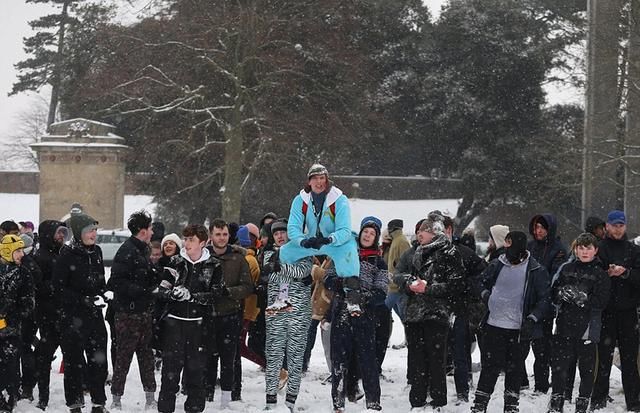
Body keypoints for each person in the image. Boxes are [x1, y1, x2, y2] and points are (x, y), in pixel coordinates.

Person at [470, 231, 551, 413]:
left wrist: (533, 318)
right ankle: (480, 405)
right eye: (506, 245)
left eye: (511, 245)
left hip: (519, 329)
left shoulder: (535, 269)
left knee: (514, 370)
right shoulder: (498, 264)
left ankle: (511, 406)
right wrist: (485, 295)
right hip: (494, 326)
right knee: (489, 368)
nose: (507, 250)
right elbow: (479, 282)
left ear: (520, 246)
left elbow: (545, 299)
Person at [394, 211, 465, 411]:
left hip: (437, 314)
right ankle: (416, 399)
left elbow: (456, 286)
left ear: (434, 233)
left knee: (436, 358)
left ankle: (438, 400)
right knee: (416, 357)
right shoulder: (415, 251)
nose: (419, 235)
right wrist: (409, 283)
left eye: (423, 231)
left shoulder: (449, 253)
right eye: (418, 232)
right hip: (415, 313)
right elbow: (398, 274)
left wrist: (429, 288)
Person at [156, 224, 224, 413]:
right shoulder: (175, 262)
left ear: (203, 242)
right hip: (174, 325)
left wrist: (193, 296)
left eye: (191, 240)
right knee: (169, 373)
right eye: (185, 239)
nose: (186, 244)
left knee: (196, 373)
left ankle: (194, 408)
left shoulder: (214, 264)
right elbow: (161, 290)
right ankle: (165, 408)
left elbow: (217, 294)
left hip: (199, 327)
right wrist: (173, 294)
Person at [280, 164, 362, 315]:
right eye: (315, 178)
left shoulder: (339, 199)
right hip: (311, 241)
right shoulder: (300, 200)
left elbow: (344, 230)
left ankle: (352, 298)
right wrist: (302, 241)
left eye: (322, 178)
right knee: (285, 252)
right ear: (309, 182)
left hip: (335, 241)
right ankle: (283, 295)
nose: (319, 182)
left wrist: (329, 239)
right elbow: (293, 228)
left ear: (327, 180)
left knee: (349, 252)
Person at [326, 216, 388, 412]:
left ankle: (373, 402)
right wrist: (344, 285)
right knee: (339, 360)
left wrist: (363, 297)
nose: (368, 236)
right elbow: (328, 279)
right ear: (360, 233)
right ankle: (338, 402)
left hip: (365, 316)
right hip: (342, 312)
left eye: (372, 233)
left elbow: (382, 292)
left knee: (368, 360)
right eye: (365, 232)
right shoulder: (345, 253)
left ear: (376, 237)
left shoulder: (379, 262)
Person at [53, 213, 110, 413]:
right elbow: (58, 289)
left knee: (98, 361)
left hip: (94, 315)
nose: (94, 234)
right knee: (74, 363)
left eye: (95, 230)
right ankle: (75, 404)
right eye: (89, 231)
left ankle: (98, 403)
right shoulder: (67, 254)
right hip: (72, 318)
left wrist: (106, 293)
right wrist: (82, 300)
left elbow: (100, 281)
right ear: (79, 233)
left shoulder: (98, 252)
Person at [547, 233, 610, 413]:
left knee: (586, 370)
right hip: (564, 326)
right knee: (559, 368)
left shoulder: (600, 273)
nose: (584, 252)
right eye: (581, 248)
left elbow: (602, 301)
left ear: (595, 250)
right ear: (575, 249)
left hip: (588, 329)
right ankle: (556, 404)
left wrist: (584, 299)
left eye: (588, 248)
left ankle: (582, 405)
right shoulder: (566, 268)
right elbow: (553, 292)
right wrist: (560, 294)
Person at [108, 210, 161, 410]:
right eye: (150, 228)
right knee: (124, 356)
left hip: (144, 312)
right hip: (128, 314)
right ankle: (116, 399)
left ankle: (150, 397)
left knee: (147, 355)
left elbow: (145, 275)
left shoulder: (143, 250)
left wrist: (159, 276)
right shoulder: (127, 251)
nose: (152, 231)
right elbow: (116, 282)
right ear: (142, 231)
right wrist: (145, 291)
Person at [590, 210, 640, 411]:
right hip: (605, 311)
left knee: (629, 361)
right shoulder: (599, 249)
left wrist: (625, 273)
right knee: (603, 358)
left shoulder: (634, 250)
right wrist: (607, 273)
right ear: (607, 227)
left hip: (628, 312)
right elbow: (592, 274)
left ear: (625, 226)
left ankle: (634, 402)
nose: (618, 229)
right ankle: (598, 399)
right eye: (614, 225)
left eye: (621, 225)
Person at [263, 219, 313, 412]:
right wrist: (285, 270)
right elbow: (270, 275)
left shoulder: (304, 251)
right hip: (276, 313)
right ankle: (270, 401)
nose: (280, 236)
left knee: (295, 358)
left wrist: (280, 267)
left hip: (299, 314)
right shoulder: (269, 253)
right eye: (276, 234)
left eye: (283, 232)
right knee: (273, 357)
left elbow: (303, 270)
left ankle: (291, 401)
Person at [205, 219, 253, 408]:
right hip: (207, 315)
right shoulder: (203, 256)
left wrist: (229, 292)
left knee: (230, 358)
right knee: (208, 358)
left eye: (224, 234)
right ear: (210, 236)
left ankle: (229, 397)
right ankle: (207, 395)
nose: (222, 238)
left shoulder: (238, 257)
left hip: (230, 314)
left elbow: (248, 286)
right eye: (218, 234)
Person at [525, 214, 566, 393]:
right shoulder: (530, 246)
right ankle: (521, 381)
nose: (538, 231)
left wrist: (541, 289)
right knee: (522, 346)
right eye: (536, 227)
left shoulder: (558, 249)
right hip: (526, 302)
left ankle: (541, 385)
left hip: (546, 304)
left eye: (542, 227)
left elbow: (555, 277)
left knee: (542, 347)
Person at [32, 220, 69, 410]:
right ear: (49, 235)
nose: (61, 236)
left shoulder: (62, 253)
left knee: (70, 357)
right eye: (58, 233)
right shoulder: (41, 256)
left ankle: (73, 396)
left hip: (64, 314)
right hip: (48, 315)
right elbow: (38, 287)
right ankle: (42, 396)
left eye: (63, 232)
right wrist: (56, 287)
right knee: (44, 357)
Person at [0, 234, 32, 413]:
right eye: (17, 251)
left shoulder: (23, 274)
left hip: (11, 330)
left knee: (10, 366)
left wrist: (9, 319)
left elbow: (28, 304)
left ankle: (8, 399)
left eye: (22, 250)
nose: (22, 254)